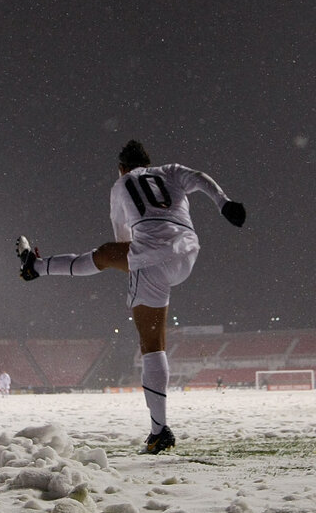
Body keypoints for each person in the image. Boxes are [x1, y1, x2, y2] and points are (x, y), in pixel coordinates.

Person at [17, 139, 245, 454]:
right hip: (186, 250)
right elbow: (200, 178)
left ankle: (159, 431)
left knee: (149, 341)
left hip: (149, 260)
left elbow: (121, 235)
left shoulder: (121, 183)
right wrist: (224, 203)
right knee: (112, 262)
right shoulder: (170, 171)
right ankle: (36, 267)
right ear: (148, 162)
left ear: (122, 168)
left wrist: (131, 262)